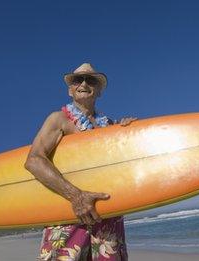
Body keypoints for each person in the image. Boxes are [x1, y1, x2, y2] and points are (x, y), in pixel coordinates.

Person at [25, 63, 136, 260]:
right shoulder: (58, 119)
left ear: (99, 91)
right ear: (70, 90)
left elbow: (126, 165)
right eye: (78, 80)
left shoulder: (110, 125)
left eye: (91, 80)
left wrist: (128, 132)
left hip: (107, 214)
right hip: (69, 213)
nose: (84, 83)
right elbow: (34, 160)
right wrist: (77, 197)